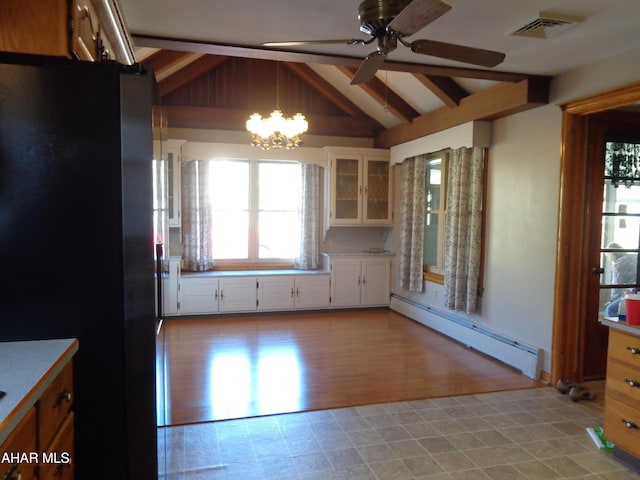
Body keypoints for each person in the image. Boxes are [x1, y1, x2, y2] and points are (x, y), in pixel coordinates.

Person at [604, 242, 637, 317]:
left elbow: (617, 286)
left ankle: (613, 328)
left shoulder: (618, 265)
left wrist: (612, 301)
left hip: (632, 293)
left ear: (611, 255)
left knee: (610, 309)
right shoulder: (634, 257)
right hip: (636, 290)